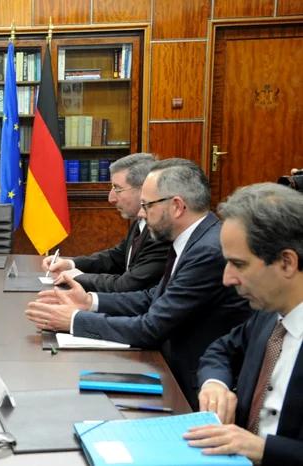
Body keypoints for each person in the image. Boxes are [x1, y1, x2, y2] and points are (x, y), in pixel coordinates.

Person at [25, 158, 253, 408]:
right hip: (168, 365)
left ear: (176, 206)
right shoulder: (192, 239)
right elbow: (152, 297)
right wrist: (90, 302)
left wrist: (74, 320)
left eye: (147, 205)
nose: (142, 214)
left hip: (189, 385)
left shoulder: (207, 250)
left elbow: (151, 327)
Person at [183, 183, 303, 465]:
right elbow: (222, 349)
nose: (228, 279)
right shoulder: (268, 313)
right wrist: (215, 384)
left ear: (286, 262)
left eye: (239, 264)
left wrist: (263, 449)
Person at [42, 153, 172, 292]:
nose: (111, 198)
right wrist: (70, 264)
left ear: (142, 190)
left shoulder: (160, 230)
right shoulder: (139, 222)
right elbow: (116, 258)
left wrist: (80, 277)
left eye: (117, 189)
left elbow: (129, 285)